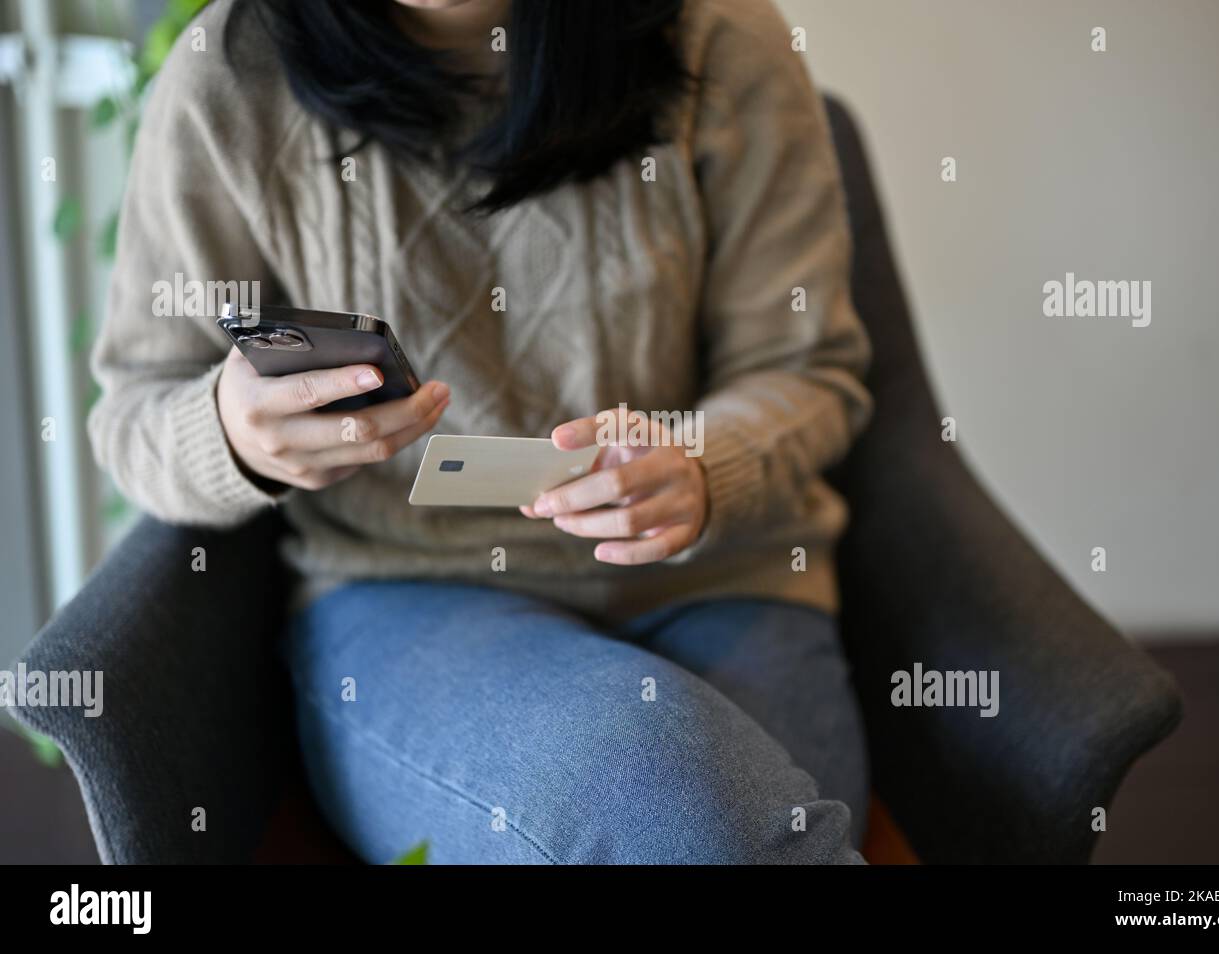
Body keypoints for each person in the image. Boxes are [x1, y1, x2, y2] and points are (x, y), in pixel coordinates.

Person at [89, 0, 872, 864]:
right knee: (676, 805)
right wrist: (230, 434)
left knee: (766, 831)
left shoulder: (719, 34)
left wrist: (703, 464)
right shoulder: (231, 74)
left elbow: (807, 369)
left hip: (720, 582)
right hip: (413, 597)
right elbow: (131, 416)